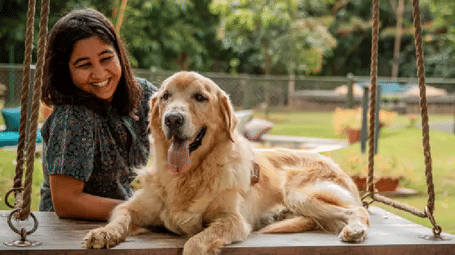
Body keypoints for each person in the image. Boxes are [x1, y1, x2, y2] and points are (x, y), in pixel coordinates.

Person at [39, 8, 157, 221]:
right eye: (84, 65)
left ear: (119, 54)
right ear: (66, 70)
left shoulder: (141, 93)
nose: (100, 73)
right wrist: (147, 212)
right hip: (68, 232)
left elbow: (182, 122)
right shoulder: (72, 116)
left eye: (106, 58)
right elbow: (67, 202)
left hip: (120, 218)